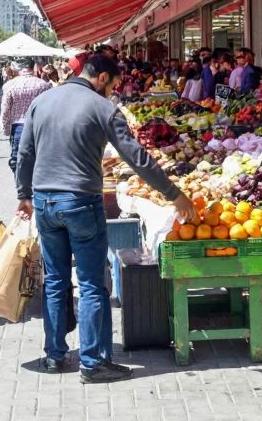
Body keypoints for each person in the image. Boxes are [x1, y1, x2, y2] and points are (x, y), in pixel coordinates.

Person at [15, 54, 196, 382]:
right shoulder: (102, 107)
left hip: (45, 202)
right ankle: (93, 362)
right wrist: (174, 194)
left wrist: (23, 194)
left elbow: (25, 152)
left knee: (55, 281)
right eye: (112, 85)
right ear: (100, 78)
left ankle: (54, 356)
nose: (112, 92)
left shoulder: (42, 102)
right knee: (91, 283)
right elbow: (137, 156)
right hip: (81, 202)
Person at [0, 60, 52, 174]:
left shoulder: (10, 85)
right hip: (37, 125)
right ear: (33, 68)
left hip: (17, 126)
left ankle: (20, 188)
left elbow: (5, 109)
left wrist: (5, 128)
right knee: (36, 160)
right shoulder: (43, 85)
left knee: (18, 160)